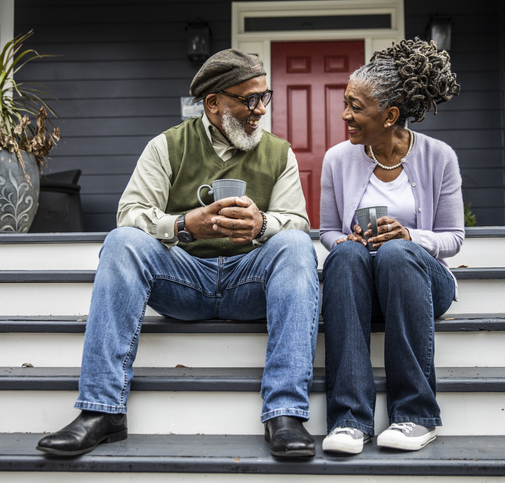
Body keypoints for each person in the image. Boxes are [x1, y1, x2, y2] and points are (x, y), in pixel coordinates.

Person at [37, 49, 319, 459]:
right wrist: (184, 225)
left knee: (295, 244)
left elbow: (297, 221)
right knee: (121, 241)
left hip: (249, 283)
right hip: (183, 282)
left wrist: (262, 226)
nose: (259, 110)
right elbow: (130, 214)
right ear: (213, 103)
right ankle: (102, 412)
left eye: (264, 97)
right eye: (248, 99)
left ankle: (285, 414)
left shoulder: (279, 153)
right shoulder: (167, 146)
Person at [318, 38, 463, 455]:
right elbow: (327, 230)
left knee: (399, 254)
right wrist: (347, 240)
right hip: (363, 284)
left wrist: (410, 236)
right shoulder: (336, 159)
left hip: (421, 283)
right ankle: (349, 421)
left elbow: (453, 238)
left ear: (391, 115)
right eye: (346, 103)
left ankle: (416, 416)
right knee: (344, 255)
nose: (345, 115)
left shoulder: (439, 157)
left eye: (356, 107)